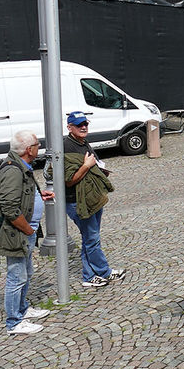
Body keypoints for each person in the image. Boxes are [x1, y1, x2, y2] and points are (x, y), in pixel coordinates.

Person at [0, 130, 54, 335]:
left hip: (25, 231)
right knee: (16, 276)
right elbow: (9, 208)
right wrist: (29, 229)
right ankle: (14, 322)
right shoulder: (13, 170)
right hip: (17, 233)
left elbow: (21, 195)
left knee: (26, 273)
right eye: (37, 144)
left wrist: (38, 195)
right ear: (29, 150)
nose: (39, 147)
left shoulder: (21, 166)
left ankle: (22, 309)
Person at [64, 111, 124, 288]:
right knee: (91, 238)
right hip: (78, 201)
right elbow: (69, 180)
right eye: (79, 125)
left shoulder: (82, 142)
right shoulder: (67, 147)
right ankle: (101, 272)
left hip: (92, 198)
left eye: (85, 124)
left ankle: (90, 274)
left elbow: (92, 163)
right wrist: (87, 166)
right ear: (69, 127)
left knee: (89, 238)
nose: (83, 127)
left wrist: (97, 169)